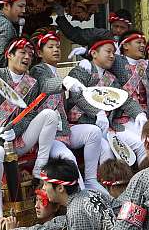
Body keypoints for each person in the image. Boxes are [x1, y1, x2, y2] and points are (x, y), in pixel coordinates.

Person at [0, 37, 63, 219]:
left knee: (49, 115)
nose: (27, 57)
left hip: (16, 141)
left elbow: (29, 114)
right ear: (9, 55)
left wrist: (15, 131)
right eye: (22, 52)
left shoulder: (32, 83)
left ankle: (40, 167)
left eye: (30, 54)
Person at [30, 29, 103, 190]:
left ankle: (91, 179)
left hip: (64, 129)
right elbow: (46, 85)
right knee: (68, 158)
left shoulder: (55, 72)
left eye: (57, 46)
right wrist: (64, 83)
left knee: (94, 132)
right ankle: (81, 193)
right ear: (39, 53)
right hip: (49, 135)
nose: (56, 50)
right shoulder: (38, 70)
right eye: (50, 47)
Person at [65, 35, 147, 164]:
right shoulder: (81, 71)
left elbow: (124, 99)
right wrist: (98, 112)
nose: (112, 56)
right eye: (108, 51)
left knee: (141, 144)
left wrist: (139, 113)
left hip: (109, 127)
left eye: (113, 52)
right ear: (94, 53)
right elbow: (77, 96)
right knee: (107, 151)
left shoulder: (111, 78)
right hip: (81, 123)